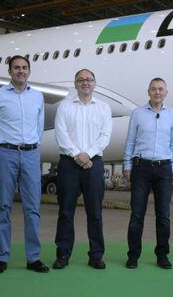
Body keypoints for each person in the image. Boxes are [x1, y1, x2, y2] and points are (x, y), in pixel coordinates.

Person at [0, 55, 48, 274]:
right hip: (5, 154)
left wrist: (32, 146)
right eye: (17, 67)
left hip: (30, 155)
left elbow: (39, 128)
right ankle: (1, 258)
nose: (21, 71)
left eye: (25, 67)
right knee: (3, 207)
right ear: (9, 71)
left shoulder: (37, 97)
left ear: (29, 71)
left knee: (32, 208)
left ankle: (34, 258)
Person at [53, 69, 112, 270]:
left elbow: (105, 136)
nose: (85, 82)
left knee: (95, 212)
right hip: (69, 164)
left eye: (88, 80)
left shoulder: (104, 108)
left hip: (93, 164)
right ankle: (63, 254)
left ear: (94, 83)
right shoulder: (65, 107)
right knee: (66, 211)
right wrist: (79, 155)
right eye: (81, 80)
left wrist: (88, 154)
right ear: (75, 84)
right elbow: (61, 134)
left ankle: (96, 255)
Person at [123, 77, 173, 269]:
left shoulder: (172, 114)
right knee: (137, 214)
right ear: (148, 92)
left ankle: (162, 255)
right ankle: (133, 255)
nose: (157, 92)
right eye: (153, 89)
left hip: (164, 168)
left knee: (163, 216)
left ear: (166, 93)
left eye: (160, 89)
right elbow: (130, 141)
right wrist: (127, 165)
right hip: (141, 168)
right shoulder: (137, 113)